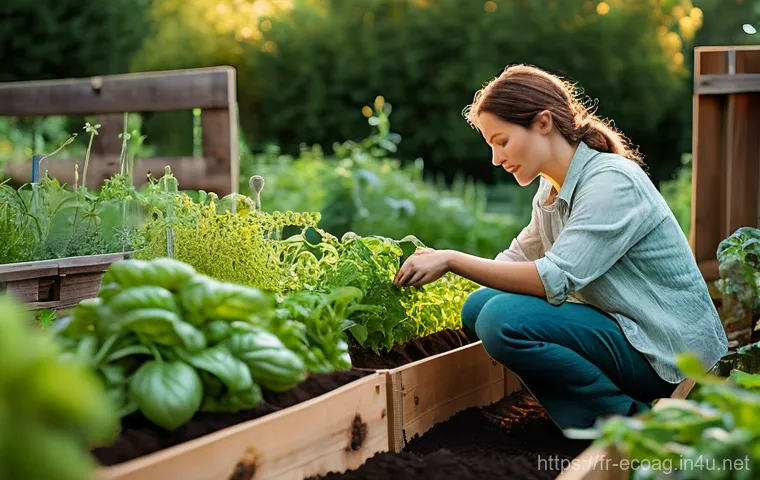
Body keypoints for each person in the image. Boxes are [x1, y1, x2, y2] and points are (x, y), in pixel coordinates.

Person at [392, 64, 729, 430]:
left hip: (666, 353)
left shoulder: (610, 181)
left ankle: (630, 422)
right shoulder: (552, 188)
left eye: (501, 141)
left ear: (543, 122)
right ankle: (597, 409)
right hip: (627, 334)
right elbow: (519, 256)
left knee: (501, 320)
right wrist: (441, 278)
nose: (496, 158)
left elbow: (552, 278)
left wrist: (454, 259)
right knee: (479, 307)